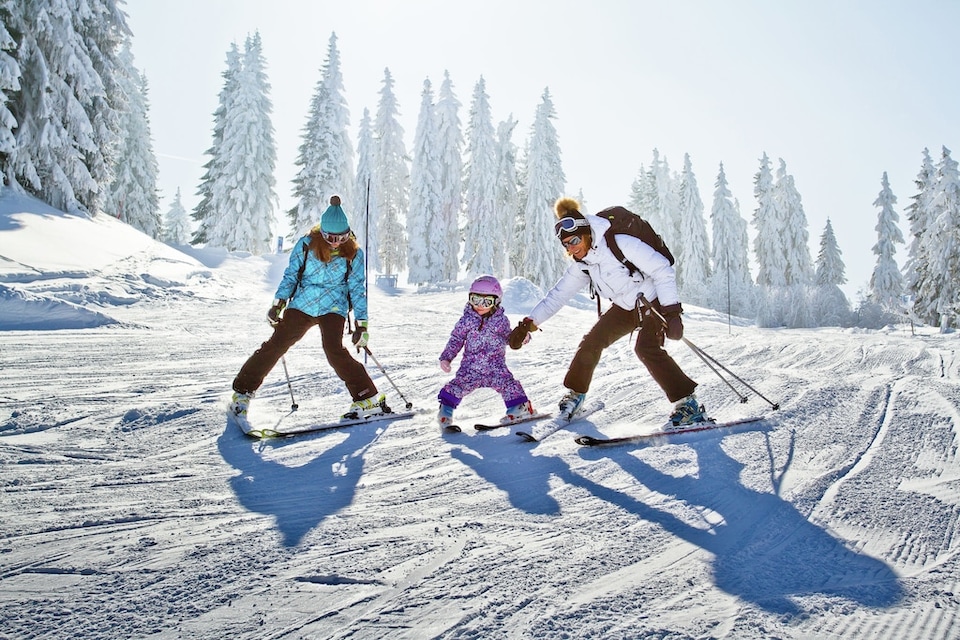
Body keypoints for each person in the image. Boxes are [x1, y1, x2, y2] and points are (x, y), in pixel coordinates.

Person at [508, 196, 707, 426]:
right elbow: (557, 296)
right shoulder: (583, 265)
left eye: (574, 240)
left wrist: (672, 313)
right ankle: (576, 395)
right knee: (592, 341)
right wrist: (528, 324)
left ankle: (689, 405)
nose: (571, 247)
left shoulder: (619, 242)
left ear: (586, 233)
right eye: (566, 244)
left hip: (652, 301)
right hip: (625, 307)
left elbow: (662, 269)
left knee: (646, 348)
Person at [227, 195, 384, 428]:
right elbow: (291, 275)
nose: (336, 242)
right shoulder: (306, 245)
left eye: (342, 237)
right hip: (303, 303)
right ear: (322, 233)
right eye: (331, 237)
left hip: (334, 306)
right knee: (276, 344)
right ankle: (242, 392)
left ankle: (367, 398)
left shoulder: (354, 254)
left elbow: (357, 289)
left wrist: (362, 325)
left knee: (334, 350)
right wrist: (278, 303)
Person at [437, 275, 536, 429]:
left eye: (486, 301)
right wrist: (446, 358)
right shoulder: (466, 321)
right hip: (470, 368)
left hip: (496, 366)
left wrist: (522, 337)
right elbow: (456, 339)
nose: (480, 305)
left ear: (496, 302)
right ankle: (445, 412)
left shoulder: (501, 321)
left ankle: (520, 408)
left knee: (509, 385)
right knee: (457, 386)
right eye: (475, 300)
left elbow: (510, 339)